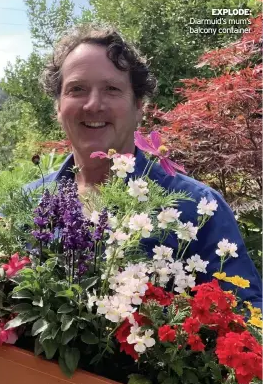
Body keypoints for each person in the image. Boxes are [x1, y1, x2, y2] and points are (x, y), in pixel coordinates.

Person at [24, 24, 262, 308]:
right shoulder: (25, 204)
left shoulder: (199, 209)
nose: (93, 105)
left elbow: (246, 325)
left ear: (139, 106)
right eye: (77, 89)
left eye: (111, 89)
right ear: (58, 107)